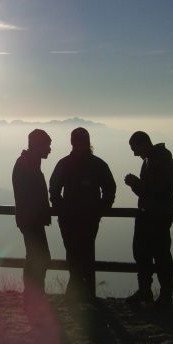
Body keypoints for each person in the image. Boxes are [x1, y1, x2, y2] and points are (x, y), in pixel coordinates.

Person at [49, 127, 116, 303]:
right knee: (79, 253)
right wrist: (101, 209)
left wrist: (99, 209)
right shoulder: (97, 164)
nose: (78, 144)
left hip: (79, 218)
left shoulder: (66, 163)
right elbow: (110, 188)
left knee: (77, 253)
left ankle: (76, 293)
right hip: (80, 218)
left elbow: (54, 189)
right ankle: (82, 294)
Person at [124, 131, 173, 308]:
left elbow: (160, 190)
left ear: (143, 144)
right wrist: (136, 185)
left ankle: (164, 296)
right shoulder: (151, 160)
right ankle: (145, 292)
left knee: (160, 255)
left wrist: (136, 183)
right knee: (142, 254)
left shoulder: (160, 160)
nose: (134, 153)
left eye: (135, 149)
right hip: (147, 214)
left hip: (158, 216)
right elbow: (148, 190)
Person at [12, 129, 53, 317]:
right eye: (47, 145)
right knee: (40, 257)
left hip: (29, 219)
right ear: (37, 146)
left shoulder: (27, 163)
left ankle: (32, 297)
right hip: (31, 220)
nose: (50, 150)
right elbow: (29, 197)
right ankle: (33, 298)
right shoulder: (27, 165)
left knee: (35, 257)